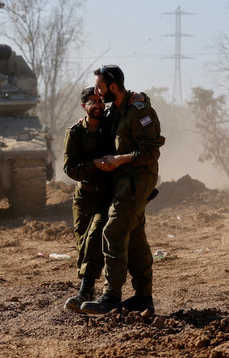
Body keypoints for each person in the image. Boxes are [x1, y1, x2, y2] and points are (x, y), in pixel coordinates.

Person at [81, 65, 165, 315]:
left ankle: (111, 297)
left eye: (100, 87)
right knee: (136, 235)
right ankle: (143, 298)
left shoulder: (138, 111)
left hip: (137, 181)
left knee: (114, 231)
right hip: (124, 183)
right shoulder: (116, 111)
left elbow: (150, 152)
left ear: (113, 86)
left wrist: (120, 159)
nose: (97, 92)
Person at [62, 86, 114, 312]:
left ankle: (87, 290)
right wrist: (94, 164)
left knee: (95, 237)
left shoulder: (111, 127)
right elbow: (70, 169)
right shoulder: (74, 133)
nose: (98, 105)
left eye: (101, 101)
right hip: (84, 196)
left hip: (106, 193)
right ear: (84, 106)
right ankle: (86, 288)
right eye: (92, 102)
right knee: (83, 242)